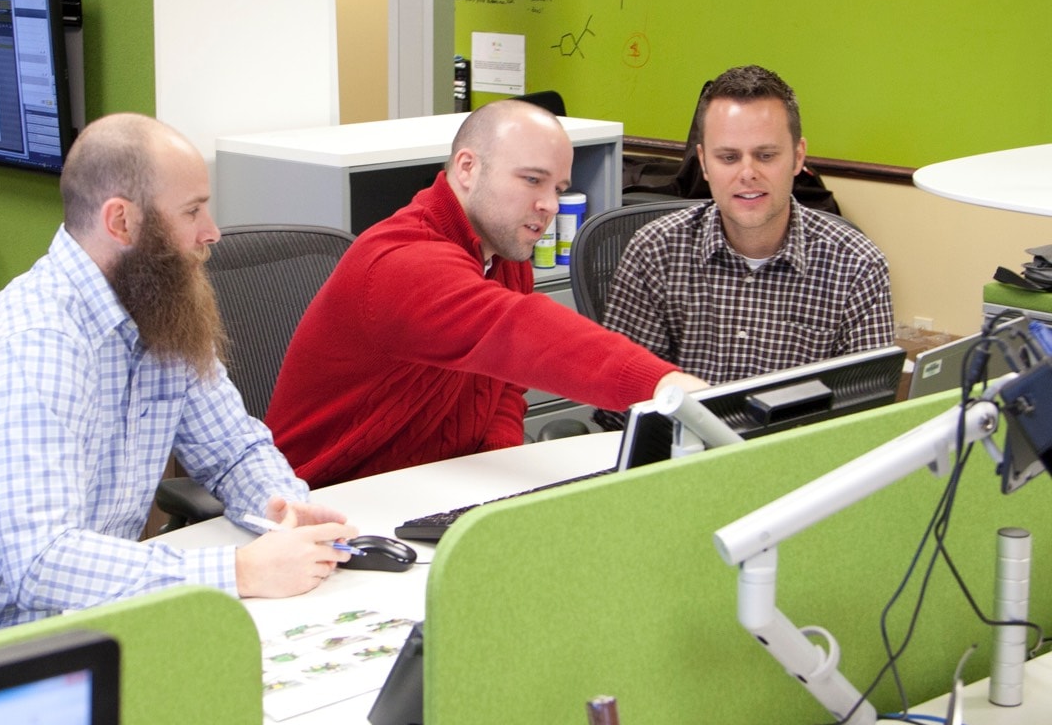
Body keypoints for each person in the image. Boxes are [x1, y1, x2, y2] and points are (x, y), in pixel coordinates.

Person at [0, 112, 356, 725]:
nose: (212, 232)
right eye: (192, 211)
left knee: (315, 701)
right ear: (122, 221)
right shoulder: (34, 347)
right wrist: (240, 571)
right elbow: (43, 564)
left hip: (92, 634)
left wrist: (284, 508)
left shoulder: (158, 309)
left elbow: (235, 449)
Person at [265, 99, 705, 490]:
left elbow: (504, 390)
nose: (550, 205)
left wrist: (496, 469)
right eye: (532, 180)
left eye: (557, 189)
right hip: (325, 499)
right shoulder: (403, 262)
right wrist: (663, 385)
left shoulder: (504, 253)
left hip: (431, 487)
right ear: (467, 168)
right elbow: (518, 330)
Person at [601, 65, 894, 385]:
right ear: (704, 162)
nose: (747, 174)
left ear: (798, 157)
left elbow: (868, 402)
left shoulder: (857, 265)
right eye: (728, 157)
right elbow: (622, 394)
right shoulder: (655, 251)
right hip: (683, 421)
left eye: (766, 156)